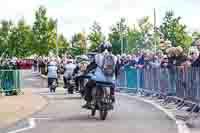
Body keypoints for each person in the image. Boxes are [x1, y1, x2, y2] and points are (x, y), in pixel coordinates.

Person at [82, 42, 117, 108]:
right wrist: (115, 77)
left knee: (88, 85)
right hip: (110, 79)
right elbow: (116, 69)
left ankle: (88, 102)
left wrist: (85, 72)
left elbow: (91, 66)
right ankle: (112, 95)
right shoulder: (115, 57)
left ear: (101, 48)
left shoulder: (97, 56)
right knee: (112, 84)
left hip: (98, 78)